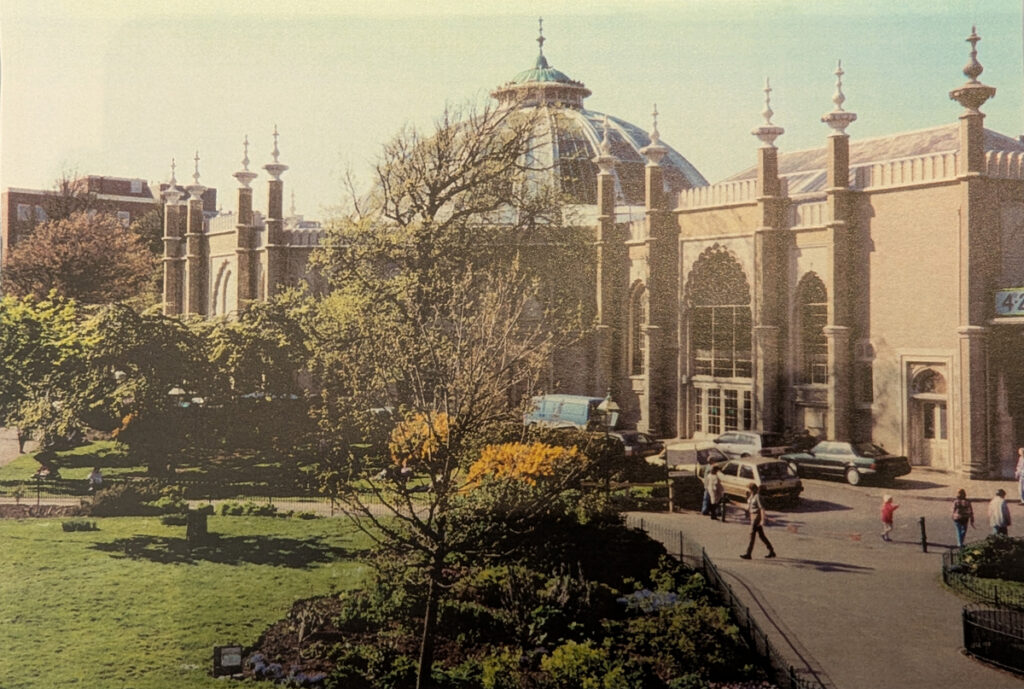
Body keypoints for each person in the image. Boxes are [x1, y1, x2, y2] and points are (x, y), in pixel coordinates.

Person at [740, 482, 776, 559]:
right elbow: (748, 507)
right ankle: (771, 550)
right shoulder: (751, 496)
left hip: (756, 518)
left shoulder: (757, 497)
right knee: (761, 536)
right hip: (753, 517)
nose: (748, 490)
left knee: (752, 535)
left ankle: (748, 553)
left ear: (752, 489)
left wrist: (762, 520)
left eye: (749, 489)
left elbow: (762, 508)